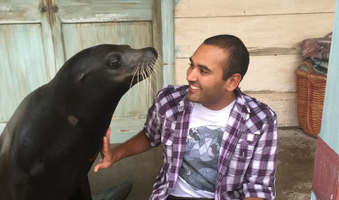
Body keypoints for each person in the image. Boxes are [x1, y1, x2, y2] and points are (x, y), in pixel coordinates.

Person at [94, 35, 278, 200]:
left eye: (203, 71)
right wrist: (115, 155)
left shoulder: (260, 120)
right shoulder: (169, 100)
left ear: (232, 82)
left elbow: (258, 189)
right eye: (192, 64)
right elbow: (150, 136)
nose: (190, 75)